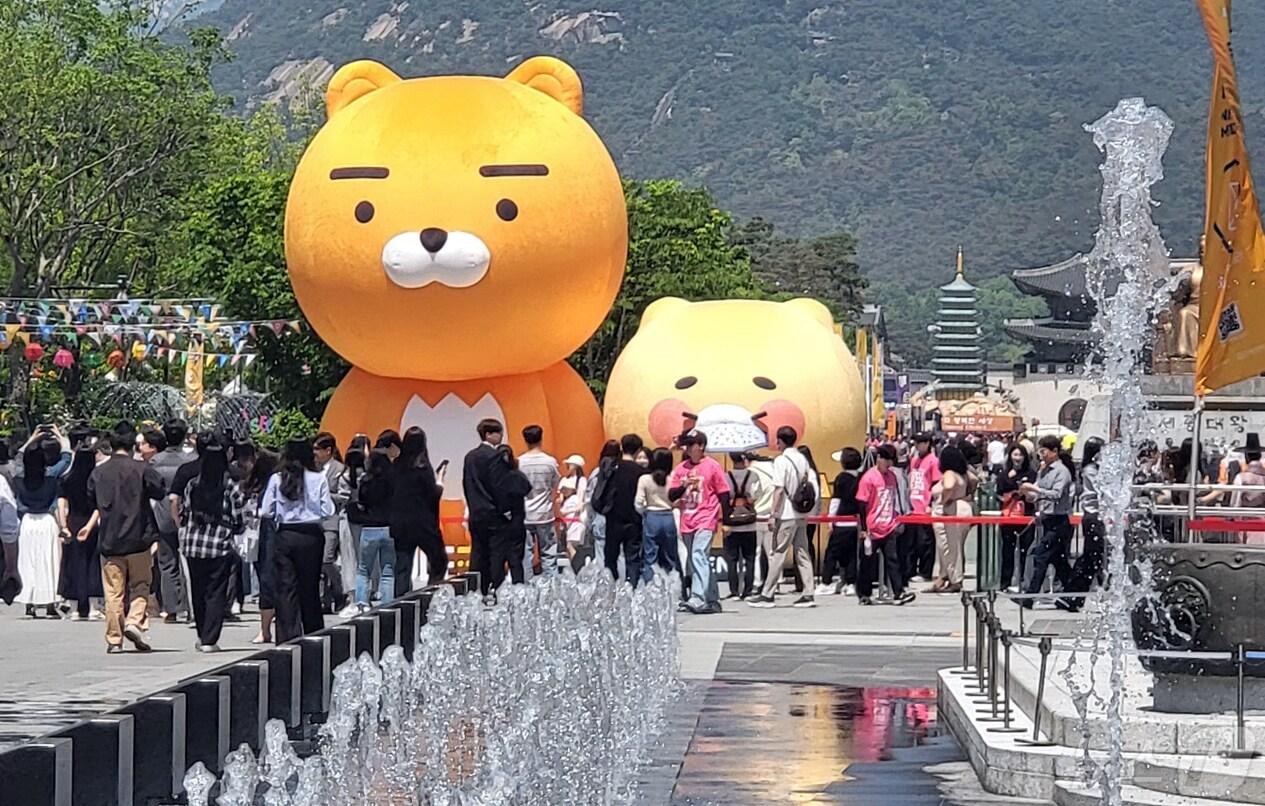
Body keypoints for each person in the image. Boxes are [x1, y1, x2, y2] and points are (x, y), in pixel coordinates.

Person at [89, 428, 166, 652]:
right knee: (140, 585)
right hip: (138, 538)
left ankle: (114, 640)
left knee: (113, 591)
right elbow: (159, 491)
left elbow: (89, 497)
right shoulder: (142, 468)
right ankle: (134, 621)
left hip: (110, 539)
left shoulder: (99, 473)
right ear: (133, 445)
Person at [175, 435, 246, 652]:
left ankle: (201, 633)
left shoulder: (192, 484)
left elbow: (184, 510)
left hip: (193, 543)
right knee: (216, 591)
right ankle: (209, 639)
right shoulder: (229, 486)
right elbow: (238, 517)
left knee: (198, 588)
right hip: (218, 544)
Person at [261, 439, 333, 641]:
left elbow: (267, 511)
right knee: (309, 587)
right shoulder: (318, 478)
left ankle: (287, 635)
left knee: (285, 587)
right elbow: (328, 510)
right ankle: (314, 632)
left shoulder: (277, 479)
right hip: (311, 535)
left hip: (285, 534)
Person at [748, 426, 816, 609]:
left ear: (781, 441)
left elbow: (778, 489)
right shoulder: (801, 458)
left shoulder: (781, 460)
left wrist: (773, 514)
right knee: (802, 552)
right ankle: (808, 592)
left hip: (786, 513)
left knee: (778, 552)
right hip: (801, 512)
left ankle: (767, 593)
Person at [669, 431, 730, 612]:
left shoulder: (713, 466)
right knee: (698, 559)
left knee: (698, 554)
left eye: (691, 445)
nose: (688, 449)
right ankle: (712, 599)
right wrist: (684, 485)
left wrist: (726, 520)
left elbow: (724, 493)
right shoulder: (681, 469)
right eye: (686, 445)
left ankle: (698, 597)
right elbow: (672, 494)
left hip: (706, 518)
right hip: (687, 519)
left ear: (701, 446)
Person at [854, 443, 916, 606]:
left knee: (893, 560)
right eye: (886, 460)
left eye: (891, 461)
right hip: (872, 527)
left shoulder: (892, 477)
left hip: (889, 525)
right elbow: (861, 504)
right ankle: (863, 593)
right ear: (879, 458)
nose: (888, 464)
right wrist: (864, 529)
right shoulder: (869, 478)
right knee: (867, 562)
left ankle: (898, 592)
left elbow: (894, 499)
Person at [1019, 435, 1076, 608]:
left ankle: (1030, 596)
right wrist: (1028, 494)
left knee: (1041, 555)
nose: (1041, 455)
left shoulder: (1062, 471)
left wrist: (1035, 488)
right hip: (1047, 520)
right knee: (1059, 562)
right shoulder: (1043, 471)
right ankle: (1072, 595)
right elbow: (1038, 493)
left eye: (1044, 451)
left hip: (1059, 520)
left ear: (1054, 451)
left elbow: (1056, 494)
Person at [14, 438, 66, 617]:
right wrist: (60, 436)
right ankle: (50, 603)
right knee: (48, 562)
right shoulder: (51, 476)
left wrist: (31, 438)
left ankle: (29, 602)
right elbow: (67, 458)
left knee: (28, 563)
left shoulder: (19, 478)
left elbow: (18, 458)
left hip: (27, 521)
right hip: (47, 520)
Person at [463, 419, 516, 595]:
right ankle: (496, 588)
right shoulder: (494, 457)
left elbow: (467, 483)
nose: (501, 436)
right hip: (494, 513)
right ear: (488, 434)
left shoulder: (470, 457)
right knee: (496, 553)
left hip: (476, 512)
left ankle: (476, 588)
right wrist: (506, 509)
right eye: (498, 432)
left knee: (478, 552)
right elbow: (499, 485)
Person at [390, 427, 446, 591]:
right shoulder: (423, 467)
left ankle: (400, 603)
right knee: (438, 560)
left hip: (400, 522)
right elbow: (432, 495)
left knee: (403, 566)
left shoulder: (397, 466)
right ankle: (431, 594)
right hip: (423, 523)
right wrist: (440, 480)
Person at [150, 419, 194, 623]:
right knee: (189, 562)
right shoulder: (191, 459)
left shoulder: (155, 461)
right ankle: (189, 605)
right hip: (186, 515)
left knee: (167, 563)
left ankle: (171, 608)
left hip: (162, 515)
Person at [57, 440, 104, 620]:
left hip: (72, 521)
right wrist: (90, 526)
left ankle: (75, 608)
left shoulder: (66, 479)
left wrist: (63, 526)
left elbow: (62, 503)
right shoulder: (96, 480)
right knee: (92, 564)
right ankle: (93, 608)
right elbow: (97, 507)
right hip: (90, 523)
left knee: (73, 563)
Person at [598, 434, 648, 585]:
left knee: (610, 557)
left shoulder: (613, 469)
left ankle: (611, 589)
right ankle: (632, 590)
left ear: (622, 447)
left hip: (613, 519)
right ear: (638, 450)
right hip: (634, 519)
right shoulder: (642, 472)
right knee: (632, 558)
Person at [1063, 437, 1104, 611]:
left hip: (1095, 516)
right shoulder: (1091, 471)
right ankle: (1072, 594)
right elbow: (1101, 491)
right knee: (1091, 557)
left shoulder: (1093, 469)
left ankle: (1074, 596)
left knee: (1092, 557)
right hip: (1093, 516)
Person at [351, 448, 394, 612]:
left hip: (370, 528)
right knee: (388, 571)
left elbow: (361, 502)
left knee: (363, 569)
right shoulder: (393, 481)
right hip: (389, 528)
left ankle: (362, 603)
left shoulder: (366, 480)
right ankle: (388, 605)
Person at [928, 445, 975, 593]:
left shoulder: (949, 473)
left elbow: (948, 486)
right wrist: (967, 493)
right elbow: (975, 480)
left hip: (950, 509)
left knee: (947, 547)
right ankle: (944, 577)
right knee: (956, 546)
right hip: (963, 507)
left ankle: (955, 580)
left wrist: (943, 500)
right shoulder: (964, 473)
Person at [818, 447, 862, 596]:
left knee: (832, 554)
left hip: (841, 521)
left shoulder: (841, 478)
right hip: (856, 522)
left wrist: (831, 520)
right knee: (851, 555)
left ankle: (826, 581)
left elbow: (836, 501)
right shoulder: (861, 478)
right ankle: (850, 583)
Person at [518, 425, 560, 580]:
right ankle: (551, 588)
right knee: (549, 553)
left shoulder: (520, 462)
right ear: (541, 438)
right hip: (545, 513)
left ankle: (526, 588)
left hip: (525, 513)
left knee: (526, 554)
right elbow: (555, 483)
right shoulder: (550, 462)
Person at [246, 449, 279, 644]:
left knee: (265, 581)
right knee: (272, 581)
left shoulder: (254, 487)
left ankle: (265, 630)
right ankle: (267, 629)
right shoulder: (277, 484)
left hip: (260, 536)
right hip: (270, 534)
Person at [313, 432, 347, 613]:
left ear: (328, 451)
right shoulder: (313, 469)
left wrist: (325, 496)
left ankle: (340, 590)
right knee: (317, 562)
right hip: (315, 521)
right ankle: (324, 600)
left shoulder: (339, 469)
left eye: (318, 449)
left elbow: (343, 495)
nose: (315, 453)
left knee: (327, 559)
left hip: (332, 520)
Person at [996, 443, 1037, 592]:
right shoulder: (1004, 473)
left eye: (1020, 455)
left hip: (1026, 516)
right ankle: (1005, 582)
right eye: (1015, 454)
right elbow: (999, 493)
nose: (1017, 458)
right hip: (1009, 516)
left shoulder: (1031, 473)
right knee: (1007, 550)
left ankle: (1022, 581)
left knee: (1025, 550)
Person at [637, 447, 682, 583]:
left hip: (651, 516)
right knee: (671, 555)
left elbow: (638, 502)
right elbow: (676, 499)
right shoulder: (672, 479)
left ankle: (651, 586)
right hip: (668, 516)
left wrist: (644, 513)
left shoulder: (645, 479)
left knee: (650, 555)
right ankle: (675, 587)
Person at [723, 452, 761, 600]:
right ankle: (748, 590)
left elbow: (724, 497)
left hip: (731, 523)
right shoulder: (753, 476)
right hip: (749, 523)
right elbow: (757, 494)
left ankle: (734, 591)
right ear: (744, 459)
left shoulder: (726, 477)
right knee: (750, 558)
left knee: (732, 559)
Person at [906, 433, 940, 583]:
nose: (917, 445)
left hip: (925, 506)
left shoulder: (933, 461)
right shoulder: (914, 460)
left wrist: (931, 504)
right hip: (912, 506)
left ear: (927, 444)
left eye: (920, 443)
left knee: (925, 542)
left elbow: (936, 483)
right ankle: (910, 569)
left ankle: (925, 572)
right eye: (916, 443)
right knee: (911, 543)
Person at [583, 440, 620, 568]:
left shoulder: (597, 473)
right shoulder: (622, 472)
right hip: (618, 518)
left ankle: (603, 583)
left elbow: (589, 498)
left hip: (600, 516)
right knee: (619, 555)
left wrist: (588, 522)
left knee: (600, 554)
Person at [557, 455, 587, 561]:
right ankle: (573, 567)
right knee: (566, 545)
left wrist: (578, 506)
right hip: (564, 513)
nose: (568, 466)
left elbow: (581, 497)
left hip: (574, 515)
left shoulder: (581, 480)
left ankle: (576, 567)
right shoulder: (564, 479)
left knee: (571, 544)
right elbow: (560, 497)